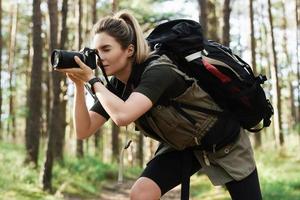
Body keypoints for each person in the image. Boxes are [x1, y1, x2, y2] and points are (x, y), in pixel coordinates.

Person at [56, 10, 263, 200]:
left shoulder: (159, 71)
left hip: (223, 140)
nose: (99, 57)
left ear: (129, 50)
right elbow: (83, 130)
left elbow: (123, 116)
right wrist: (79, 85)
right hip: (181, 144)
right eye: (96, 50)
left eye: (106, 49)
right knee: (141, 193)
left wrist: (93, 81)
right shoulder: (117, 85)